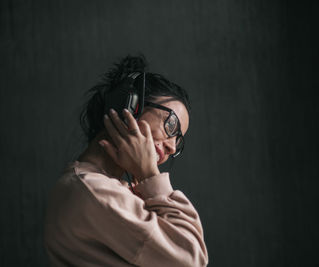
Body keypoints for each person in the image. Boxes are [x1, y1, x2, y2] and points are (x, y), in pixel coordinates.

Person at [44, 55, 208, 267]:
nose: (172, 146)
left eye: (178, 141)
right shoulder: (93, 190)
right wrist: (149, 175)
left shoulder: (103, 188)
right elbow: (190, 259)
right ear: (131, 105)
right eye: (171, 126)